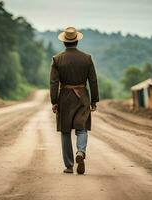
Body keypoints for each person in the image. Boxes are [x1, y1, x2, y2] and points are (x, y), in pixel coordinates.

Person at [50, 26, 99, 175]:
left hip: (65, 97)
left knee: (65, 131)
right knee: (81, 127)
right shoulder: (87, 58)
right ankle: (81, 152)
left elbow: (53, 83)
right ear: (76, 41)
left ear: (64, 42)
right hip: (83, 96)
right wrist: (94, 100)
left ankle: (69, 165)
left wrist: (54, 101)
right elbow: (93, 81)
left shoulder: (57, 59)